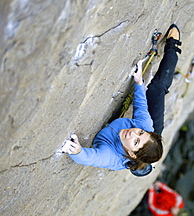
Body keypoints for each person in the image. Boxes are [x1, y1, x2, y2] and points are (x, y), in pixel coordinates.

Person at [61, 24, 182, 176]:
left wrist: (77, 151)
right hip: (153, 135)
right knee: (157, 89)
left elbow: (92, 158)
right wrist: (138, 82)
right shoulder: (145, 126)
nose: (133, 133)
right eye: (139, 132)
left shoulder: (111, 156)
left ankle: (142, 165)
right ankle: (173, 46)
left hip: (139, 149)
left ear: (131, 154)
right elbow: (140, 106)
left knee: (143, 146)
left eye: (136, 141)